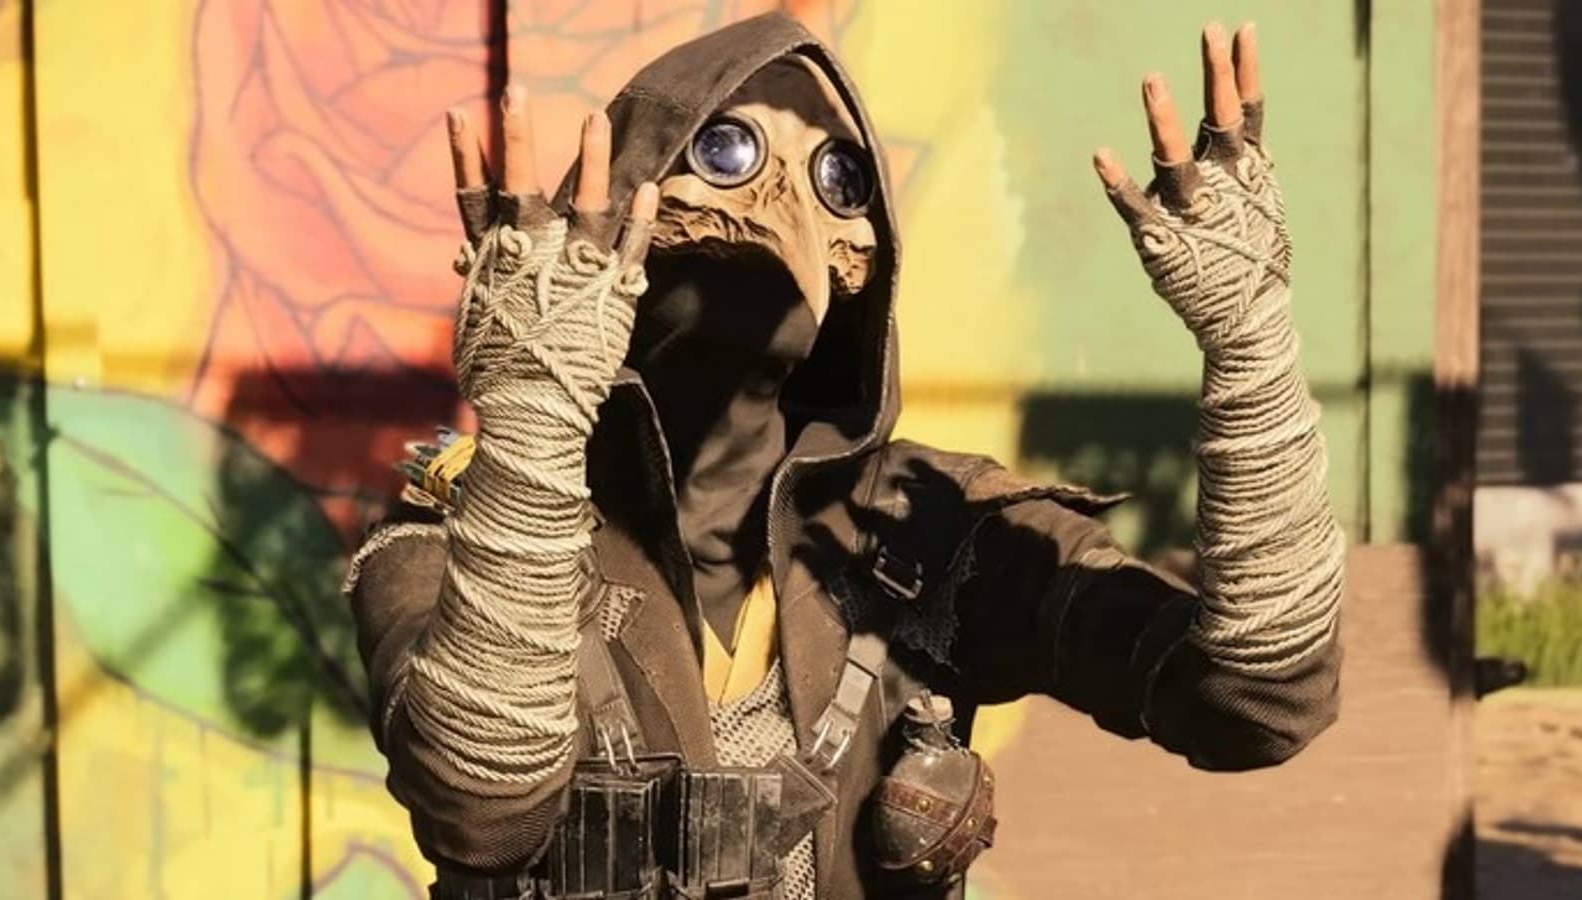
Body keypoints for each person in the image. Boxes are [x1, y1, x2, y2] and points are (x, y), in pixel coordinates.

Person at [345, 12, 1345, 899]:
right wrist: (532, 418)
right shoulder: (460, 538)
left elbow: (1256, 704)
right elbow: (480, 810)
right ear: (618, 210)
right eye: (728, 149)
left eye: (841, 177)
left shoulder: (926, 531)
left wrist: (1251, 340)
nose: (786, 196)